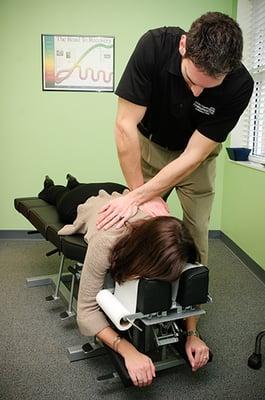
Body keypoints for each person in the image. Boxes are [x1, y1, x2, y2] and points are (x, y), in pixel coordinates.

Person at [96, 12, 254, 266]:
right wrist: (140, 195)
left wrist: (141, 195)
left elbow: (194, 155)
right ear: (183, 46)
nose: (197, 92)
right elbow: (125, 125)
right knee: (140, 222)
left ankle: (191, 291)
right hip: (151, 147)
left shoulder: (240, 85)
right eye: (192, 80)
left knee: (197, 230)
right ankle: (141, 285)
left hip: (197, 160)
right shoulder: (154, 47)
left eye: (209, 87)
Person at [39, 175, 210, 387]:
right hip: (85, 200)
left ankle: (75, 182)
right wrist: (125, 348)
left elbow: (191, 293)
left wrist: (192, 333)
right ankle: (56, 186)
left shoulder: (176, 242)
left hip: (123, 194)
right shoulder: (105, 244)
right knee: (59, 197)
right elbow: (86, 311)